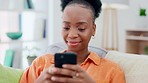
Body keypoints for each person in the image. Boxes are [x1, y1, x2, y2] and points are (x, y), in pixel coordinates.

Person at [20, 0, 126, 83]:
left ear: (93, 29)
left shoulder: (112, 71)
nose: (72, 35)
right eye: (66, 27)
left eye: (81, 28)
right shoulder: (41, 64)